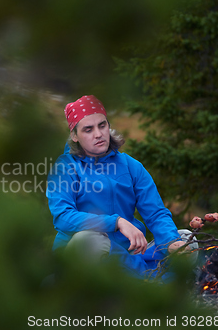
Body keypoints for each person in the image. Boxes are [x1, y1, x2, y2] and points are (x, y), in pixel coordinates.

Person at [46, 95, 195, 279]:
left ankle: (148, 288)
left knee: (188, 240)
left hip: (130, 253)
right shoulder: (65, 168)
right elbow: (63, 216)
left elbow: (155, 213)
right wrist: (116, 222)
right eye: (88, 129)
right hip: (87, 256)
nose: (98, 134)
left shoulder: (131, 166)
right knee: (89, 240)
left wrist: (172, 241)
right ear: (74, 136)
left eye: (102, 125)